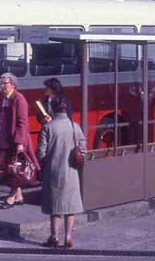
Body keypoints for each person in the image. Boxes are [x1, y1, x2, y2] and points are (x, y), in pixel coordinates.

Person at [36, 97, 86, 249]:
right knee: (70, 206)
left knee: (55, 207)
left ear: (54, 109)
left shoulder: (48, 127)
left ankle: (54, 236)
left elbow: (41, 153)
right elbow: (83, 149)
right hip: (71, 171)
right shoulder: (74, 126)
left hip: (53, 172)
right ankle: (68, 238)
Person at [0, 72, 40, 209]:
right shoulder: (5, 98)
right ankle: (19, 196)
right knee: (14, 168)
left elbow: (23, 122)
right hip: (6, 139)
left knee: (14, 168)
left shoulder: (19, 99)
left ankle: (10, 197)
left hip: (16, 140)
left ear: (13, 85)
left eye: (5, 83)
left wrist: (20, 143)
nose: (2, 86)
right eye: (1, 83)